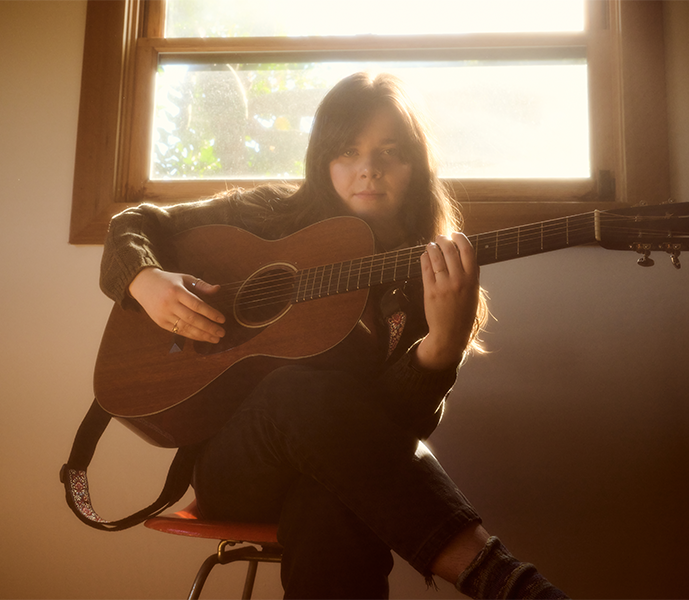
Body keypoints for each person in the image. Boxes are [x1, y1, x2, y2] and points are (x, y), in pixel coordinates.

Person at [100, 72, 566, 599]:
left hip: (349, 475)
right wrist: (146, 280)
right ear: (322, 159)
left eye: (391, 152)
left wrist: (443, 348)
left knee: (330, 497)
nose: (369, 168)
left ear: (416, 166)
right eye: (348, 150)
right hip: (236, 471)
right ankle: (505, 582)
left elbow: (389, 433)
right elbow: (132, 223)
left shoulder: (431, 276)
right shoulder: (270, 215)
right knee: (294, 390)